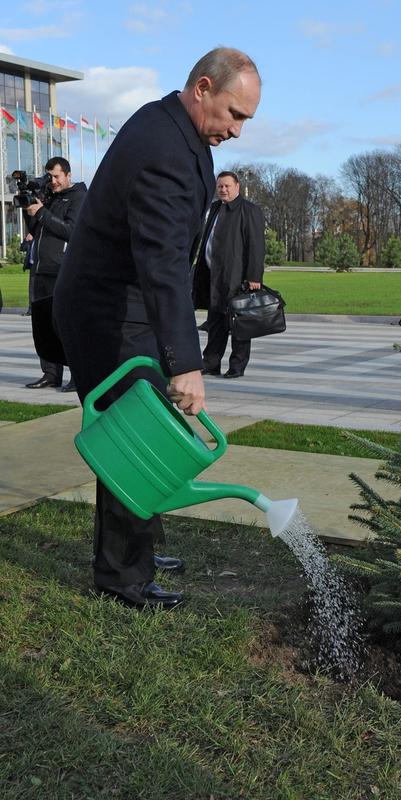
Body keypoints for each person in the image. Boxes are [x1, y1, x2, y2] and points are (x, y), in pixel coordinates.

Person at [53, 47, 261, 609]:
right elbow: (164, 262)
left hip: (124, 302)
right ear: (202, 88)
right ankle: (124, 578)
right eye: (234, 114)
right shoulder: (165, 149)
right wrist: (187, 363)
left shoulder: (177, 131)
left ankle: (138, 546)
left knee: (144, 424)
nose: (238, 130)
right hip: (105, 309)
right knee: (133, 433)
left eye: (246, 119)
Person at [192, 171, 265, 378]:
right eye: (220, 187)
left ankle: (237, 365)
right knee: (215, 321)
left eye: (227, 186)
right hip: (213, 276)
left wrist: (254, 277)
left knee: (240, 322)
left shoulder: (249, 210)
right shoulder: (215, 208)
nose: (223, 190)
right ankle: (211, 362)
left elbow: (256, 246)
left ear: (237, 187)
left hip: (237, 278)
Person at [23, 157, 86, 392]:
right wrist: (33, 211)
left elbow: (71, 231)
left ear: (68, 175)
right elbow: (35, 230)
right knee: (42, 327)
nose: (53, 181)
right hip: (40, 270)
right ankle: (50, 374)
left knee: (66, 326)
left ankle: (78, 376)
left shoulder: (79, 197)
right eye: (50, 176)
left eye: (57, 176)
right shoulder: (48, 197)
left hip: (62, 270)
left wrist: (42, 213)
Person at [20, 233, 34, 316]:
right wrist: (27, 240)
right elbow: (22, 248)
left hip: (41, 265)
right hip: (32, 265)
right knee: (31, 289)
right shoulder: (31, 239)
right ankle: (31, 309)